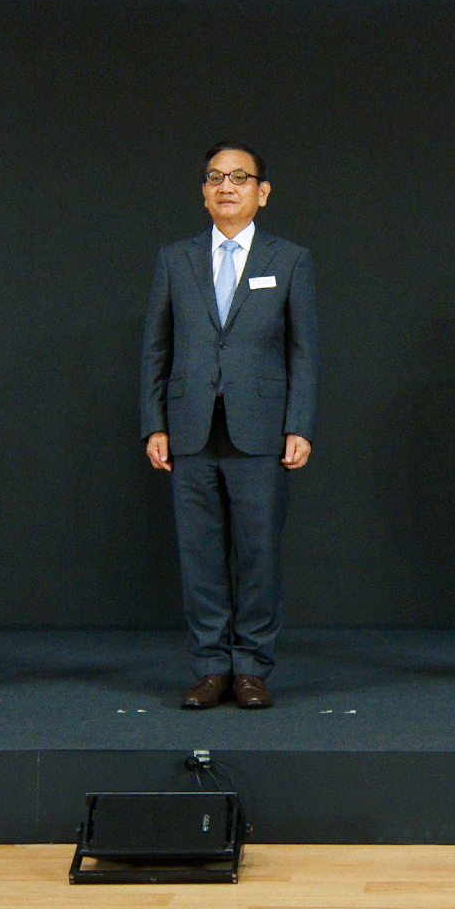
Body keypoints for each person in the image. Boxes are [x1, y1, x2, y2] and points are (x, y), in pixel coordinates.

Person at [141, 142, 319, 711]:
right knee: (199, 555)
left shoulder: (288, 259)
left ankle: (252, 668)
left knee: (257, 552)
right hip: (189, 426)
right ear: (203, 192)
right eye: (215, 177)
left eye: (240, 178)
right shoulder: (176, 258)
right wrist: (154, 423)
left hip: (262, 429)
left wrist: (300, 424)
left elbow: (304, 352)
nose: (226, 186)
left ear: (262, 193)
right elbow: (156, 348)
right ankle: (211, 665)